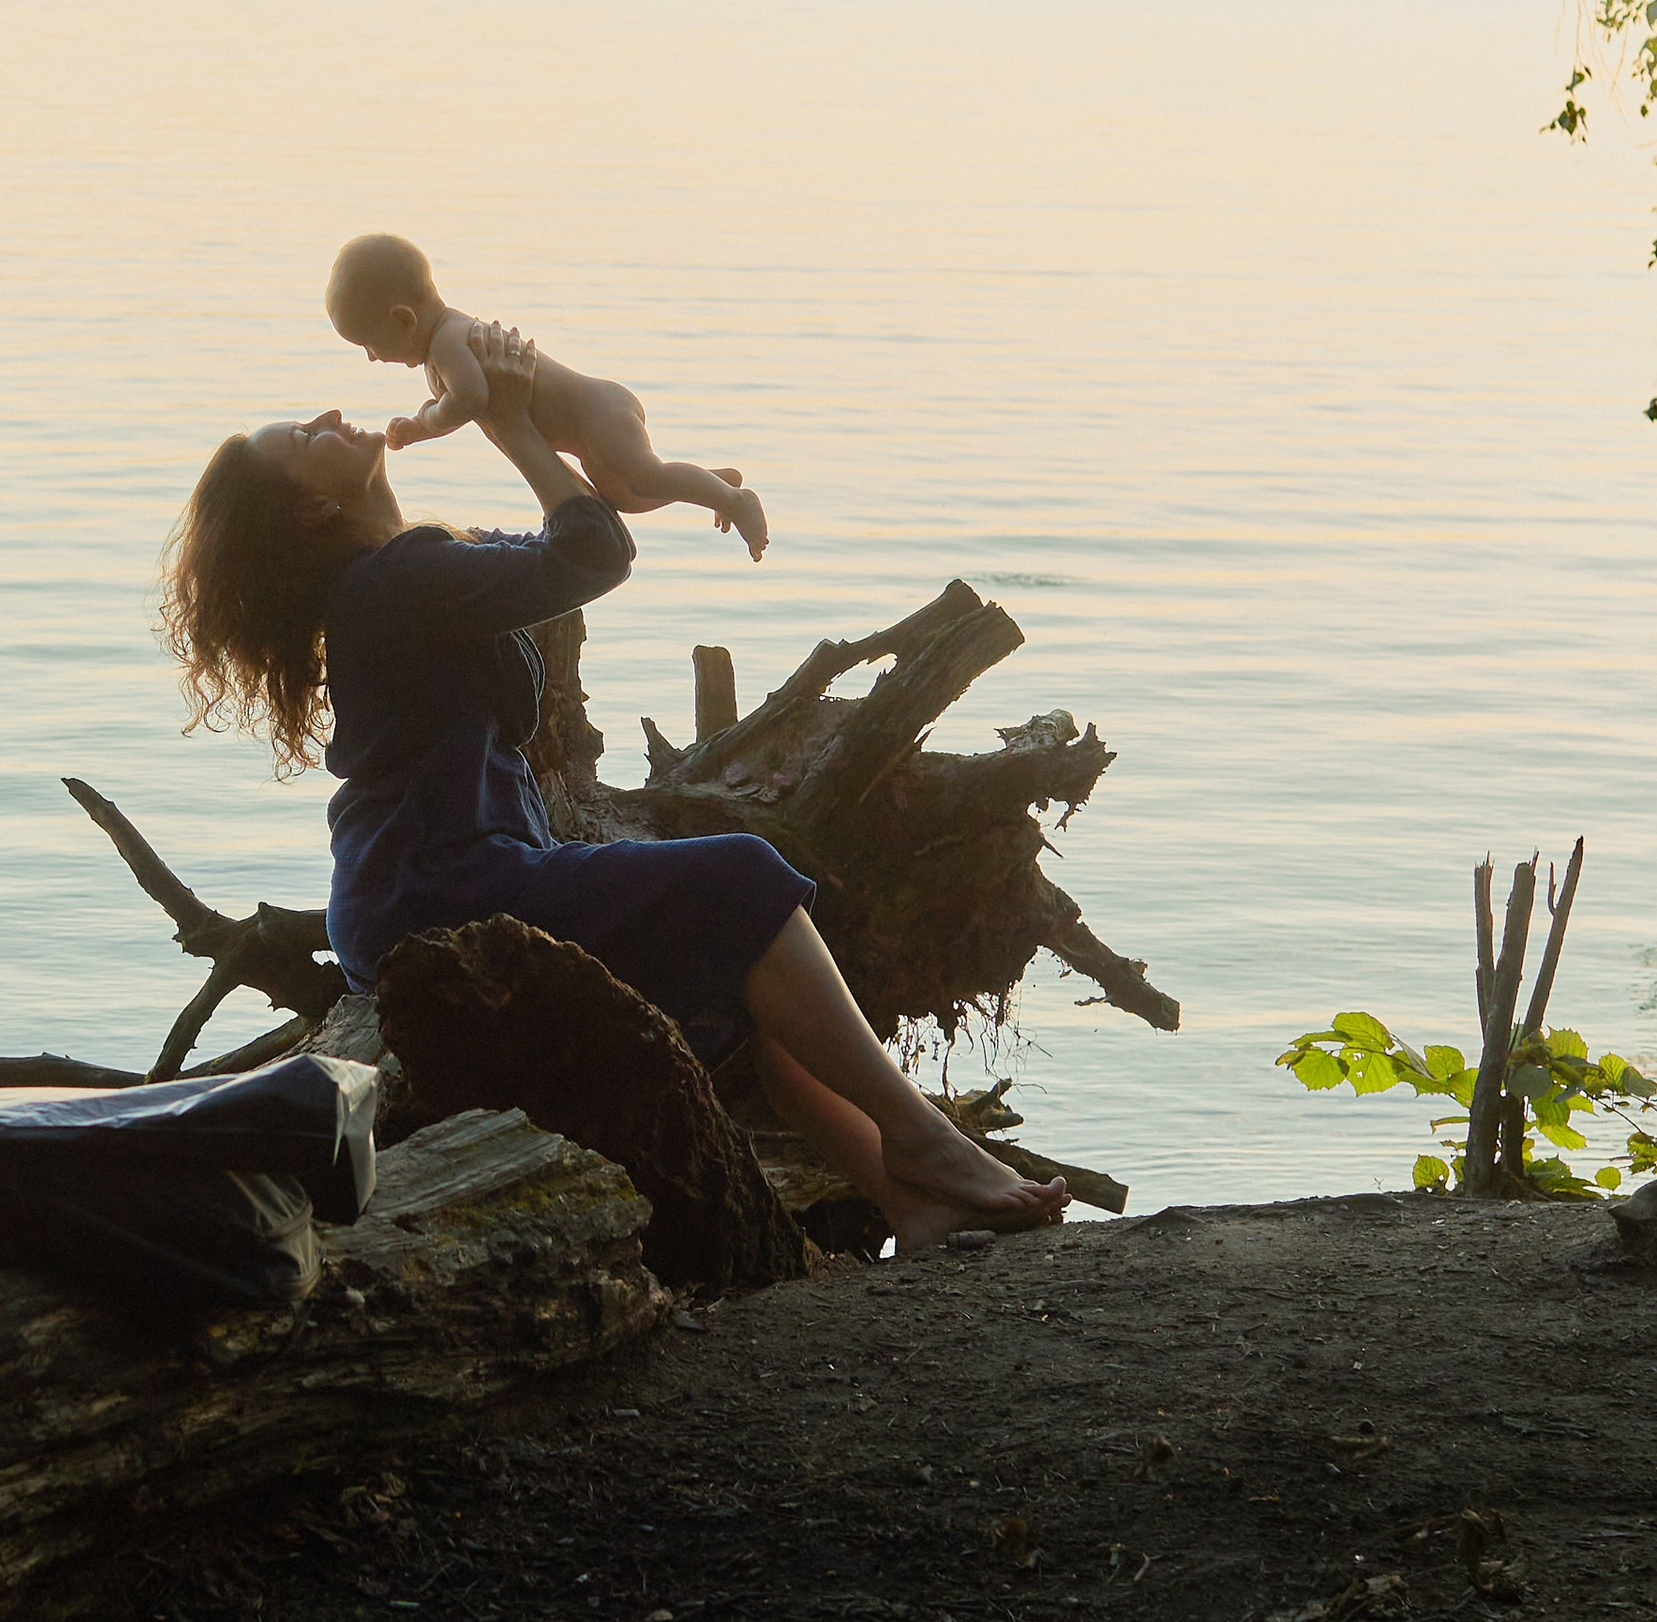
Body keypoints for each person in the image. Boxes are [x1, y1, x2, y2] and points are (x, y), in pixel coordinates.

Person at [163, 325, 1065, 1258]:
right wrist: (512, 427)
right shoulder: (394, 580)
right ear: (310, 513)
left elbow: (574, 538)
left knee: (745, 959)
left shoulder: (409, 568)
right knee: (745, 878)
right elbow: (591, 557)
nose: (327, 416)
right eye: (303, 438)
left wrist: (630, 457)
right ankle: (919, 1140)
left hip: (436, 882)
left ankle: (907, 1200)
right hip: (438, 892)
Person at [324, 228, 770, 561]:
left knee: (645, 477)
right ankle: (713, 482)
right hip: (597, 416)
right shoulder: (444, 340)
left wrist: (422, 424)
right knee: (628, 498)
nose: (371, 357)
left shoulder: (446, 343)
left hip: (598, 415)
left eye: (369, 343)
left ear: (403, 319)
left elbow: (471, 400)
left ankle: (735, 500)